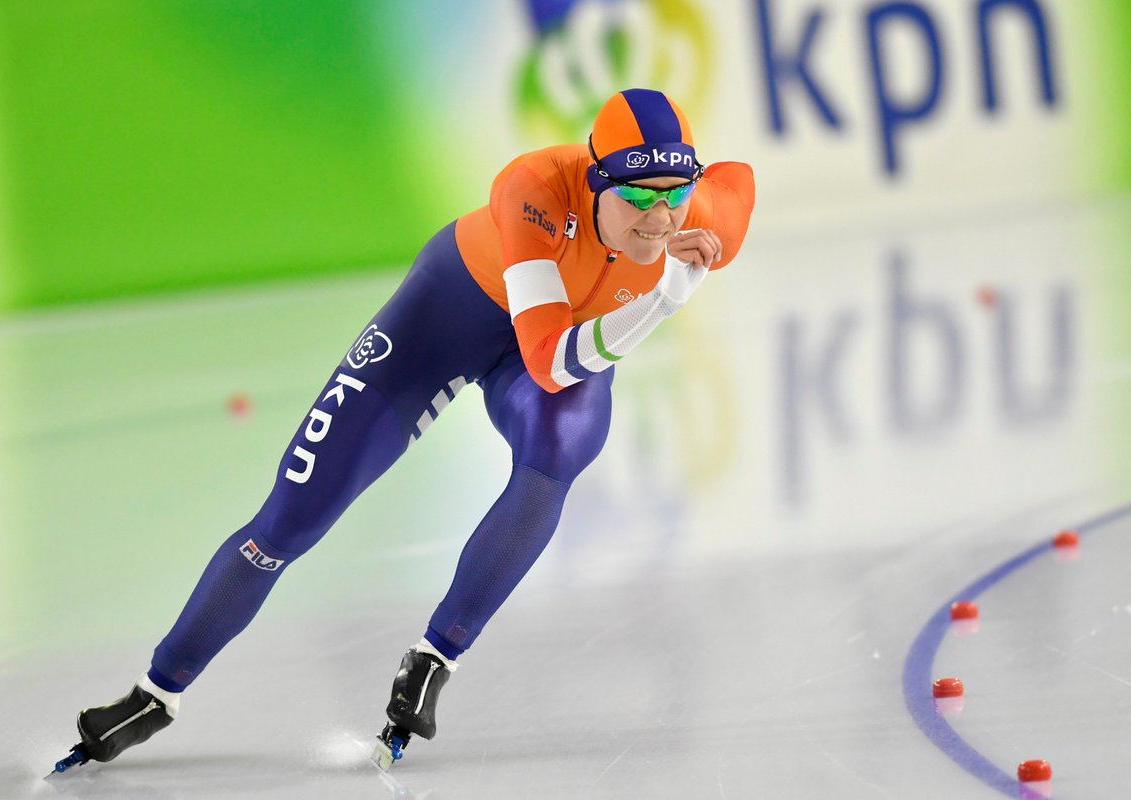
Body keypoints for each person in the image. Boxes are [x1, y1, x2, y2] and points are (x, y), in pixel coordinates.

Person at [54, 87, 755, 773]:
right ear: (596, 182)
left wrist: (681, 262)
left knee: (559, 453)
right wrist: (661, 302)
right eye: (636, 197)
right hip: (447, 321)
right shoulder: (534, 188)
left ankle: (437, 653)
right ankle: (157, 690)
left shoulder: (700, 215)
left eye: (675, 194)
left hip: (568, 341)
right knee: (292, 517)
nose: (660, 218)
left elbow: (739, 183)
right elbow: (546, 362)